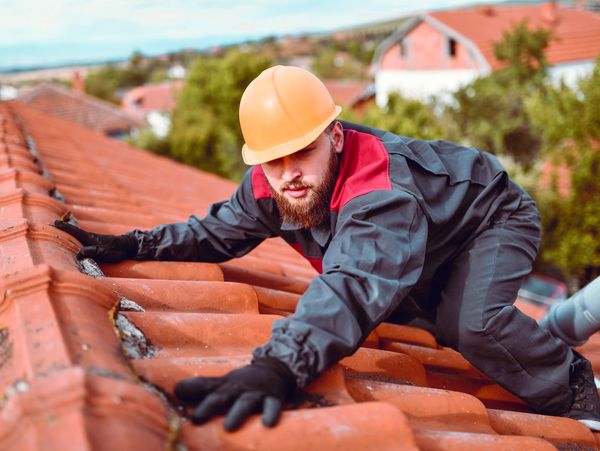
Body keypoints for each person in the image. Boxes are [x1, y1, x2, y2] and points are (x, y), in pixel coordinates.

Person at [54, 65, 600, 432]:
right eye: (273, 160)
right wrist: (133, 243)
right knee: (430, 329)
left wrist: (279, 367)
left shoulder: (380, 192)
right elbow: (216, 231)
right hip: (429, 241)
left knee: (472, 326)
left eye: (302, 152)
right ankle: (559, 324)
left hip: (492, 219)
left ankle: (579, 391)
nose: (288, 175)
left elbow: (354, 283)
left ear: (335, 137)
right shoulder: (276, 181)